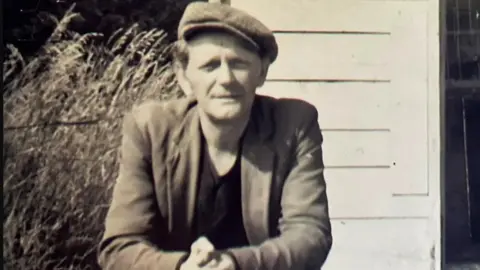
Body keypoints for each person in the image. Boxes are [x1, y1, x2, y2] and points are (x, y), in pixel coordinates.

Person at [97, 2, 332, 270]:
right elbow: (120, 246)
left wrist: (233, 263)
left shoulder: (294, 124)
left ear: (262, 72)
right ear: (184, 77)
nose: (226, 79)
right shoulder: (151, 129)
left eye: (238, 63)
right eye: (210, 66)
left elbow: (310, 234)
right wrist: (182, 267)